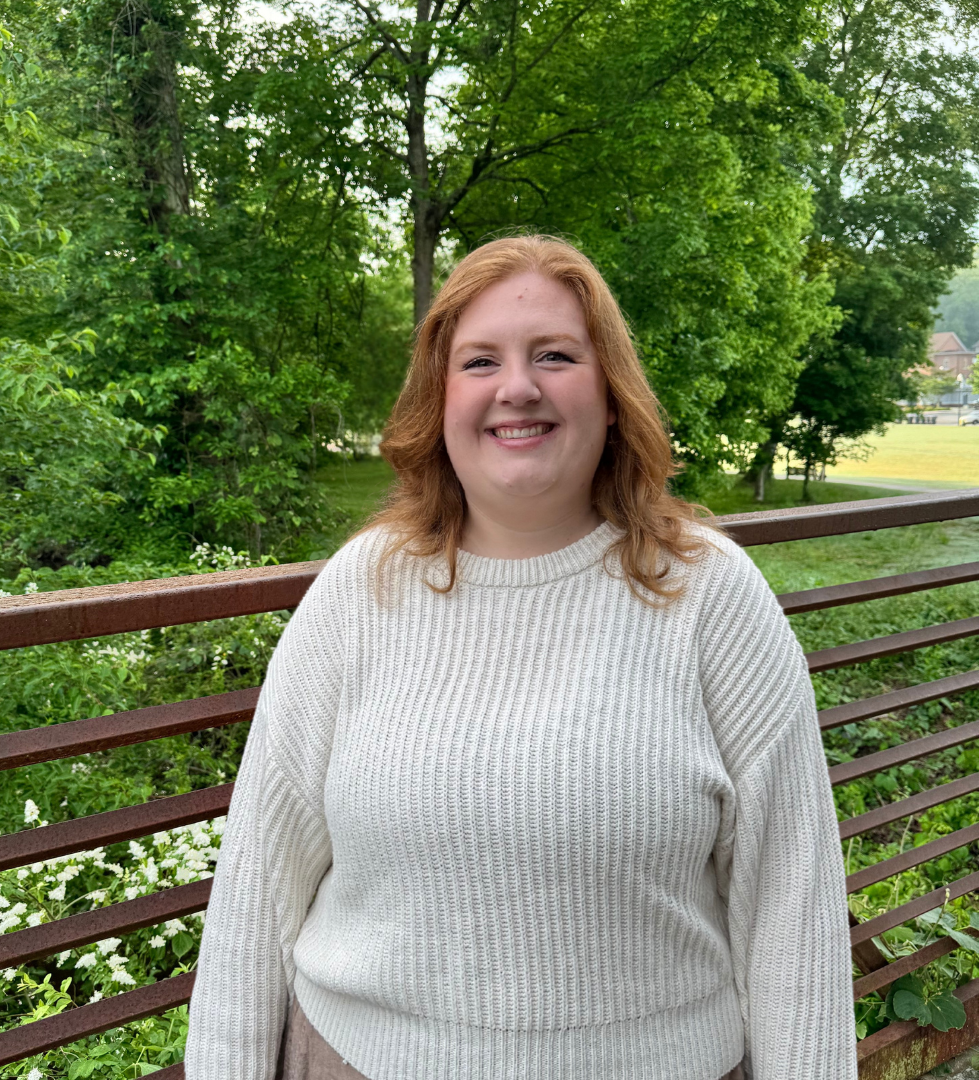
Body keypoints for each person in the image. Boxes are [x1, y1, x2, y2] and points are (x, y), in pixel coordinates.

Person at [184, 235, 856, 1080]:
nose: (517, 388)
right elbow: (257, 890)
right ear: (440, 398)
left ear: (612, 395)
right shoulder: (361, 592)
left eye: (554, 355)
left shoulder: (709, 596)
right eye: (479, 361)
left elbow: (792, 905)